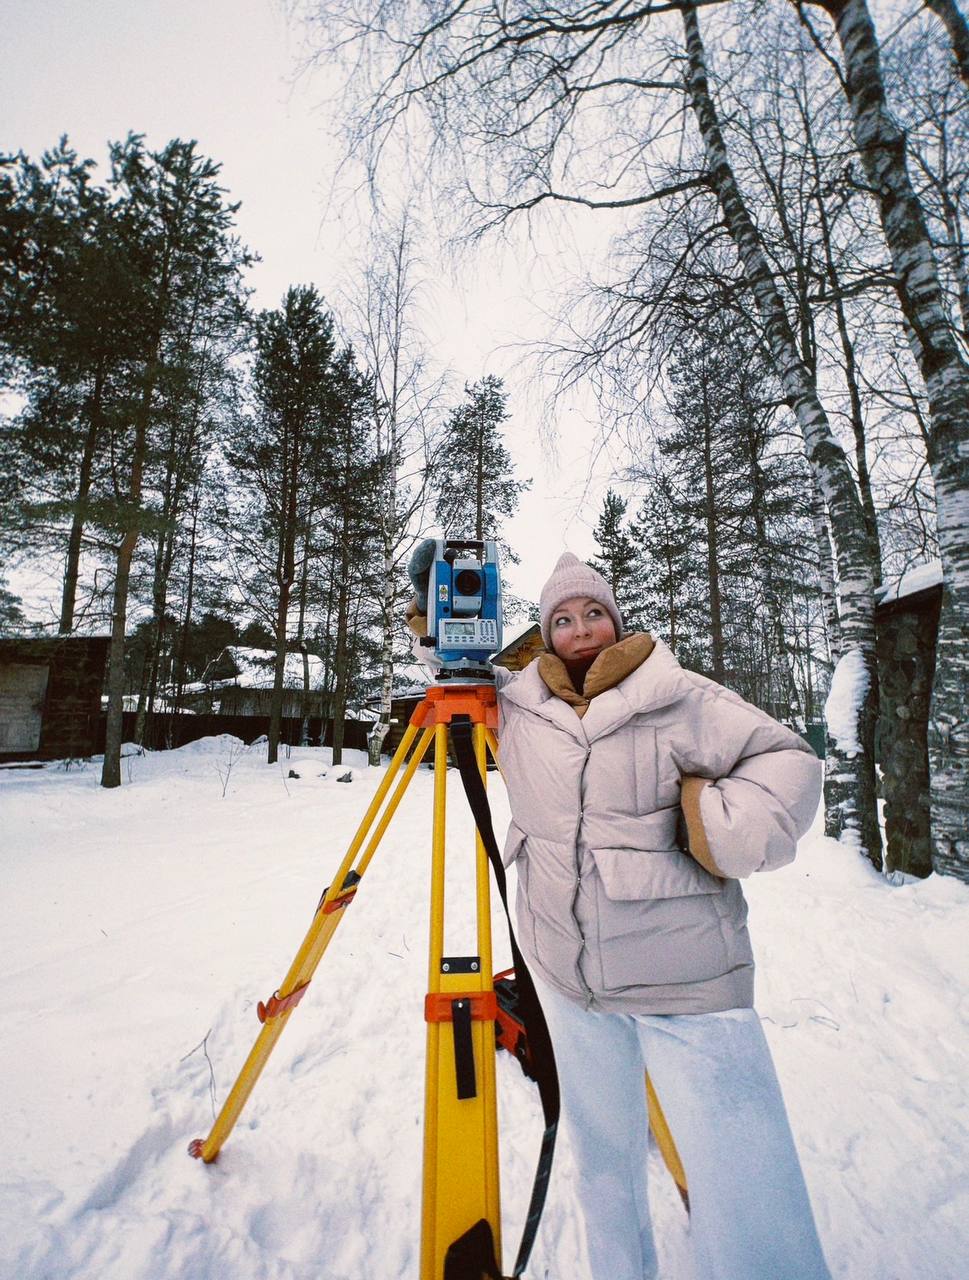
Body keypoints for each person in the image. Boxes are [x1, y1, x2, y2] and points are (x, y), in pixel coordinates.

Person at [409, 548, 831, 1280]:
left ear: (615, 620)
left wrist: (720, 825)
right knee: (603, 1163)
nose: (579, 630)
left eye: (593, 613)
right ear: (545, 633)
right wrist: (429, 615)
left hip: (686, 980)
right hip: (568, 980)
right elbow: (458, 672)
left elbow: (788, 761)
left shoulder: (678, 694)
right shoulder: (522, 704)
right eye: (562, 620)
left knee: (747, 1189)